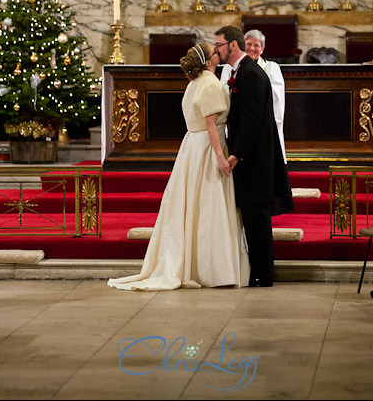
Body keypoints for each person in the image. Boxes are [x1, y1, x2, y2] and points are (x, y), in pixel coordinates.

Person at [108, 43, 247, 291]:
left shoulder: (195, 83)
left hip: (192, 147)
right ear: (207, 62)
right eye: (215, 52)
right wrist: (219, 155)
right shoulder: (209, 83)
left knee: (192, 205)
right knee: (207, 205)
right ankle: (213, 269)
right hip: (206, 148)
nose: (219, 53)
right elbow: (211, 123)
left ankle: (196, 263)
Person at [215, 26, 294, 287]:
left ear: (232, 46)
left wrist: (236, 153)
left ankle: (263, 274)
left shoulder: (250, 74)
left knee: (258, 219)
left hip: (255, 160)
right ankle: (258, 271)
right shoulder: (243, 71)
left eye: (219, 45)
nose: (217, 50)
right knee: (252, 217)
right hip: (252, 157)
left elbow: (251, 119)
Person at [219, 29, 286, 163]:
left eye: (257, 45)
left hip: (262, 120)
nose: (252, 48)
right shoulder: (229, 68)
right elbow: (223, 90)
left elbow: (277, 94)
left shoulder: (272, 68)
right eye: (249, 44)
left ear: (262, 49)